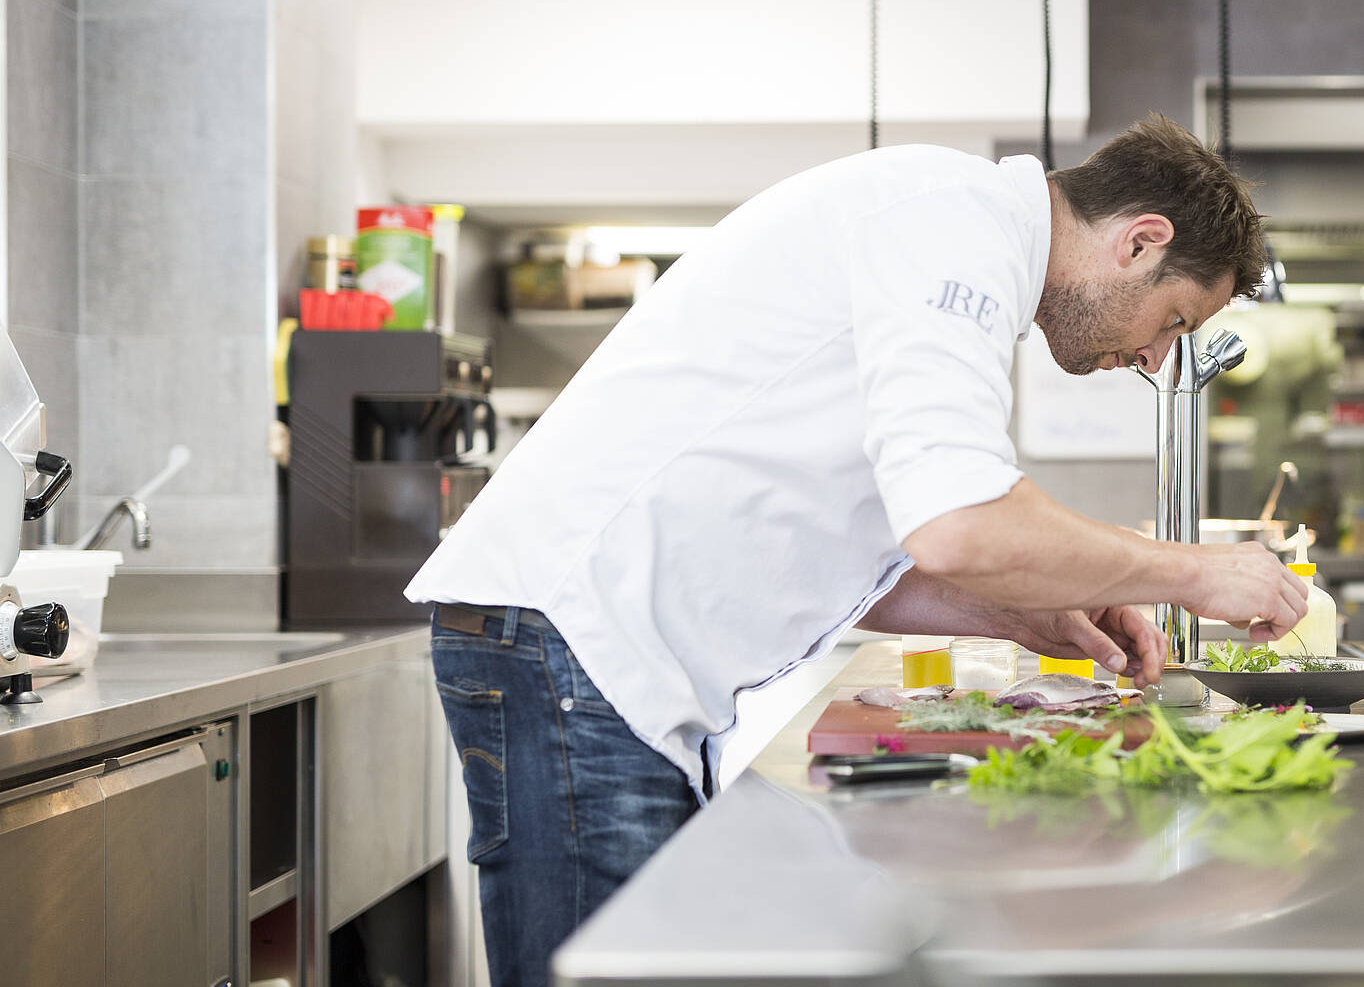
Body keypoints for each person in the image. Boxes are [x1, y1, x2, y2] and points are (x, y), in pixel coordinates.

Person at [406, 115, 1309, 986]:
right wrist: (1195, 572)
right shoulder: (954, 224)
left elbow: (879, 546)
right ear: (1141, 240)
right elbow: (960, 519)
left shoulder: (954, 227)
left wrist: (1025, 609)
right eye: (1175, 320)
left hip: (589, 654)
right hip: (568, 642)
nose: (1156, 357)